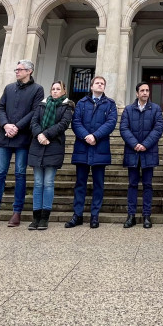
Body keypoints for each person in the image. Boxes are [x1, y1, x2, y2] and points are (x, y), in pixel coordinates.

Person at [0, 60, 44, 228]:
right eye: (16, 69)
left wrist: (17, 126)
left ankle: (17, 212)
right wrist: (6, 125)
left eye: (20, 69)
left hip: (23, 137)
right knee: (0, 173)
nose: (17, 72)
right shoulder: (9, 88)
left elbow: (35, 111)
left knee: (20, 174)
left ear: (29, 71)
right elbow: (0, 107)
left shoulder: (37, 89)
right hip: (5, 136)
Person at [65, 75, 117, 229]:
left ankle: (95, 215)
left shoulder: (110, 104)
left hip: (100, 148)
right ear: (91, 86)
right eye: (97, 83)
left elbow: (111, 123)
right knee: (80, 184)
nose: (100, 85)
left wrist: (95, 136)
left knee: (98, 184)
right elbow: (76, 122)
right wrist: (86, 136)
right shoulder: (81, 103)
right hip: (83, 147)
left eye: (102, 84)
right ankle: (77, 215)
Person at [28, 80, 75, 230]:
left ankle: (44, 217)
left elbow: (63, 124)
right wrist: (39, 135)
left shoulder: (67, 107)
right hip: (37, 146)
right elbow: (33, 122)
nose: (54, 91)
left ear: (63, 91)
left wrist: (46, 134)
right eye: (53, 88)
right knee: (37, 183)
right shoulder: (42, 105)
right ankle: (35, 217)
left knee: (48, 183)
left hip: (54, 146)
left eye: (58, 89)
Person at [119, 81, 163, 229]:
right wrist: (135, 144)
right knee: (132, 184)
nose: (145, 92)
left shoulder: (156, 109)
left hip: (148, 152)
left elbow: (158, 129)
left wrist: (145, 144)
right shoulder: (128, 109)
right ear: (137, 93)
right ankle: (131, 216)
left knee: (147, 185)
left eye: (147, 90)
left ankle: (146, 216)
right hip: (132, 152)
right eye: (142, 90)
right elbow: (124, 128)